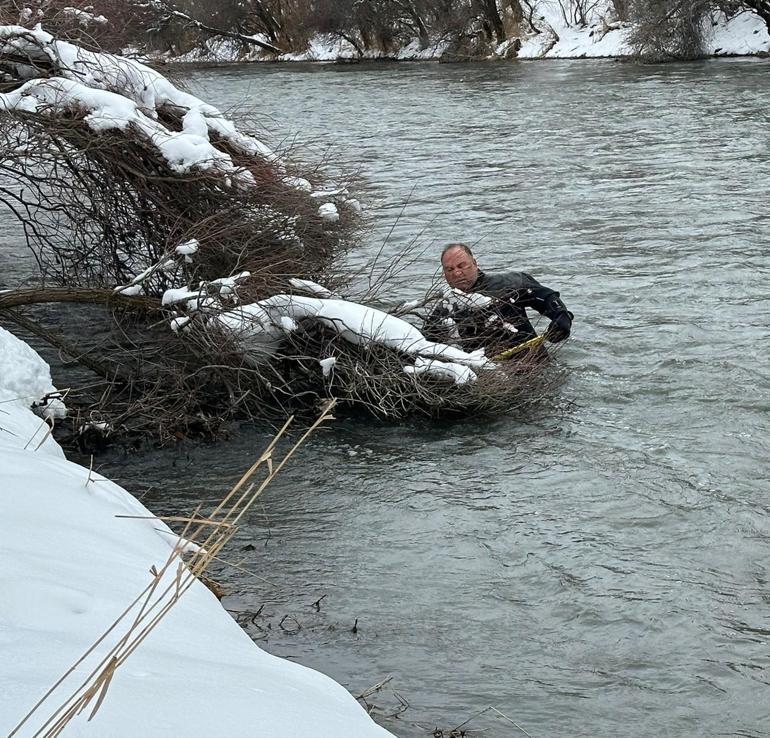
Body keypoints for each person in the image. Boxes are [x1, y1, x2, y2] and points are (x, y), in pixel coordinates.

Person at [423, 243, 573, 358]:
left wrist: (561, 318)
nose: (456, 273)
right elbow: (424, 345)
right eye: (449, 269)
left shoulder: (509, 284)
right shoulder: (445, 309)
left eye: (462, 266)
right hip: (489, 375)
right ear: (444, 274)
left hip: (533, 363)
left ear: (475, 264)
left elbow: (547, 298)